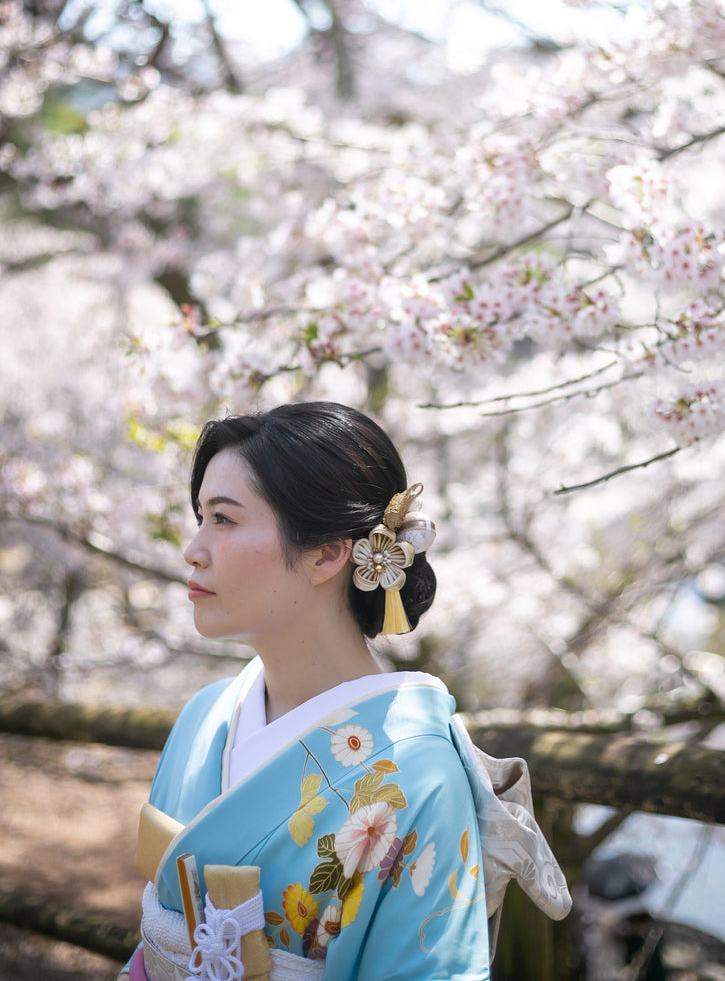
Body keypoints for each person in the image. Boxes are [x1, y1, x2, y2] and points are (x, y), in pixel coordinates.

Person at [122, 401, 571, 981]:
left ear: (329, 552)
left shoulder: (421, 777)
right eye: (201, 517)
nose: (194, 548)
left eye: (224, 519)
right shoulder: (205, 715)